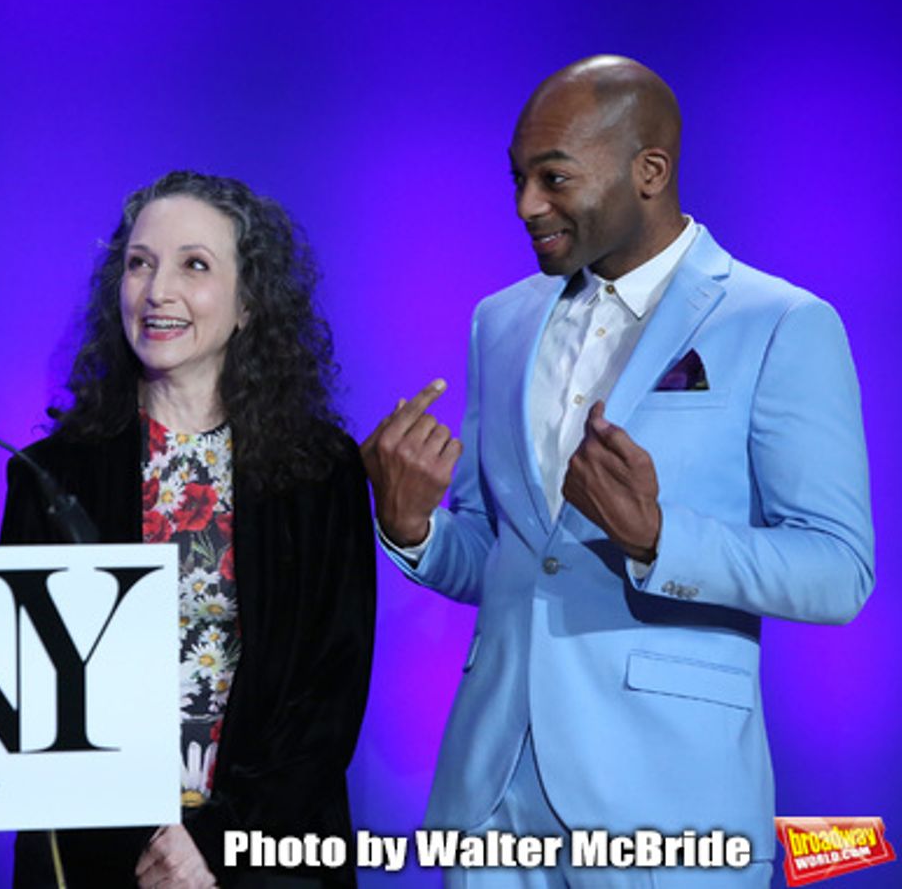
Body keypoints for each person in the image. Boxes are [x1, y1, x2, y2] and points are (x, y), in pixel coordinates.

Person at [362, 55, 873, 886]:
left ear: (650, 172)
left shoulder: (780, 323)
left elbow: (838, 572)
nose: (528, 205)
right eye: (519, 178)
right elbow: (502, 559)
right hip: (492, 802)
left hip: (667, 806)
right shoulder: (500, 321)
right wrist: (411, 527)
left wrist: (660, 538)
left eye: (555, 177)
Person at [0, 170, 376, 888]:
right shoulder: (52, 476)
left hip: (273, 851)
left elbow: (329, 694)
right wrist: (153, 842)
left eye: (193, 265)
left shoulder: (320, 470)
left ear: (248, 304)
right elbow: (38, 695)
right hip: (103, 857)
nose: (157, 290)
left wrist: (214, 843)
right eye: (139, 263)